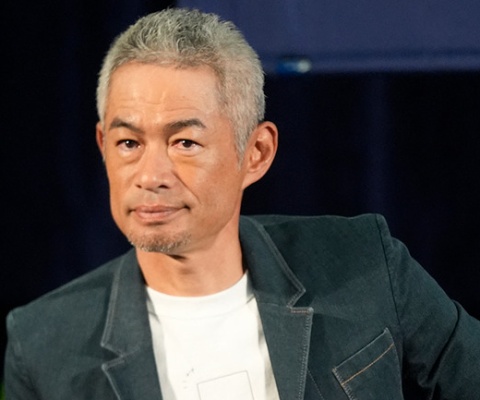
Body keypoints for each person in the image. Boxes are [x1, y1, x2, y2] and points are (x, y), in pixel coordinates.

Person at [4, 7, 480, 400]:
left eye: (184, 143)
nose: (150, 176)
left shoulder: (364, 264)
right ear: (102, 145)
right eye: (129, 143)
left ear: (256, 153)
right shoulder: (44, 343)